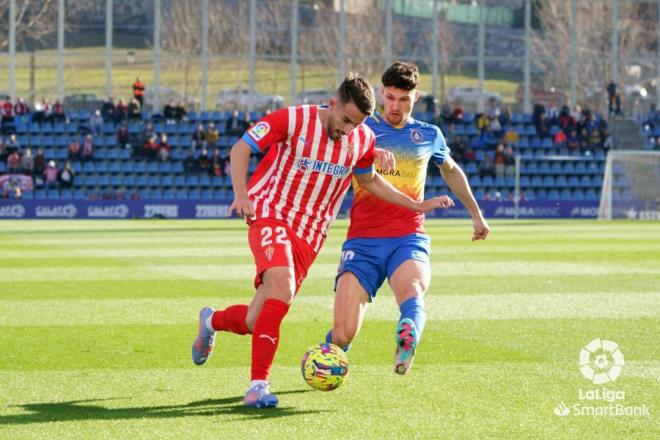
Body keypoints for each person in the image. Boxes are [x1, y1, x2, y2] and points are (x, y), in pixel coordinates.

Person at [190, 74, 453, 408]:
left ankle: (210, 321)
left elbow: (369, 181)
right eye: (344, 120)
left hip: (310, 234)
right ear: (332, 104)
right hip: (270, 212)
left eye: (356, 124)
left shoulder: (361, 138)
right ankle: (258, 386)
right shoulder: (292, 119)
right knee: (282, 288)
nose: (347, 130)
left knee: (255, 319)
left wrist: (416, 204)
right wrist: (241, 196)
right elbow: (241, 148)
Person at [324, 62, 490, 376]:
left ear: (417, 97)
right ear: (381, 94)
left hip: (407, 237)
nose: (395, 106)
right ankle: (329, 354)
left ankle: (408, 333)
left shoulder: (429, 134)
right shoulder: (362, 127)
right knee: (343, 333)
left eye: (403, 99)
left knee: (413, 288)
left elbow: (450, 170)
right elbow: (329, 126)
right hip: (363, 240)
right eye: (389, 97)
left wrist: (476, 214)